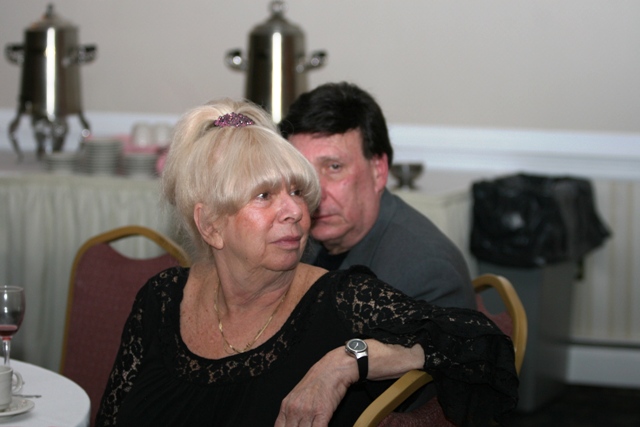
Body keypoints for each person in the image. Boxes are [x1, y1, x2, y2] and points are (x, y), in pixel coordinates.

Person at [95, 98, 517, 426]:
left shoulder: (342, 299)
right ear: (210, 225)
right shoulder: (161, 298)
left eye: (297, 191)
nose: (295, 211)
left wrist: (348, 360)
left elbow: (482, 345)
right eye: (264, 196)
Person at [280, 82, 476, 309]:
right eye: (304, 171)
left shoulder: (425, 271)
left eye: (334, 167)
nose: (316, 192)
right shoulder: (298, 240)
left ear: (378, 171)